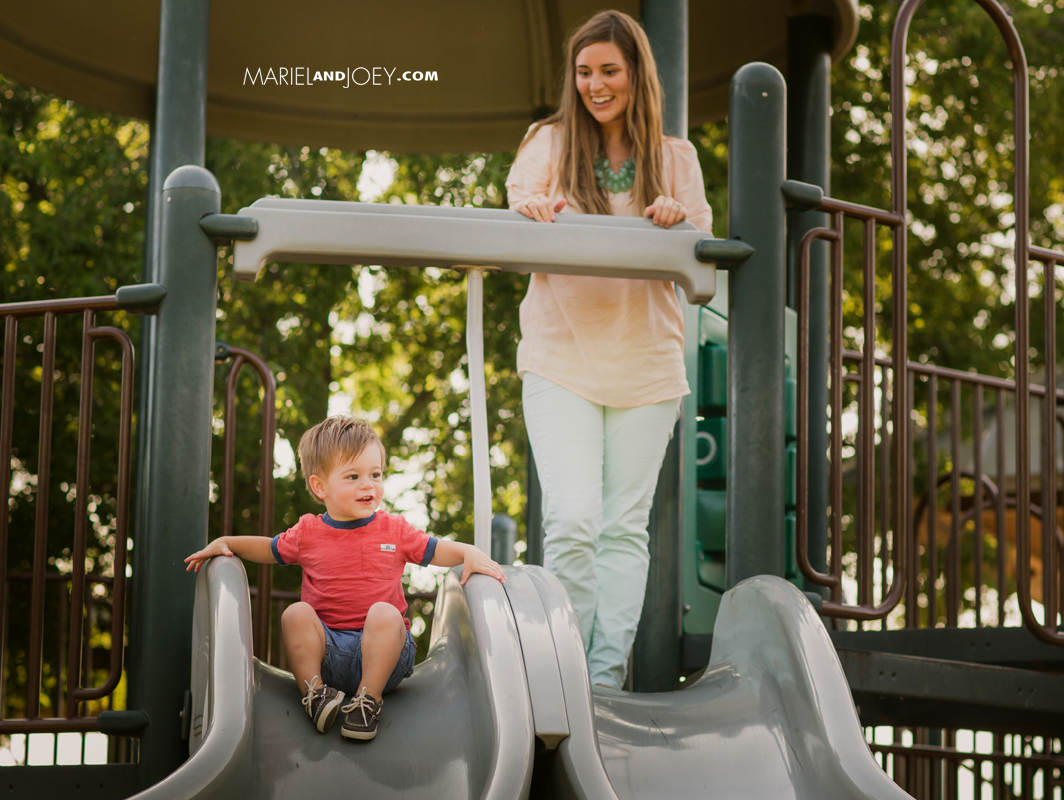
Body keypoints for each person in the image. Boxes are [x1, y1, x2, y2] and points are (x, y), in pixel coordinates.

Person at [506, 10, 712, 689]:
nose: (596, 84)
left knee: (624, 529)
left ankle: (600, 682)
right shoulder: (550, 143)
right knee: (571, 519)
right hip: (562, 355)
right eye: (585, 71)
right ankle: (562, 674)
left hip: (646, 363)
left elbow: (703, 269)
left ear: (636, 75)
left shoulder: (675, 161)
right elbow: (519, 205)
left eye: (609, 71)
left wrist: (675, 225)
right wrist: (534, 212)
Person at [184, 416, 505, 741]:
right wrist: (228, 543)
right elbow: (269, 548)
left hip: (385, 655)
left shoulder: (394, 529)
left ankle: (369, 701)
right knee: (294, 614)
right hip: (328, 653)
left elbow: (433, 550)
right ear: (319, 486)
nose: (368, 484)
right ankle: (316, 694)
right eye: (353, 476)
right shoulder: (308, 532)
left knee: (384, 613)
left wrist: (467, 553)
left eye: (375, 474)